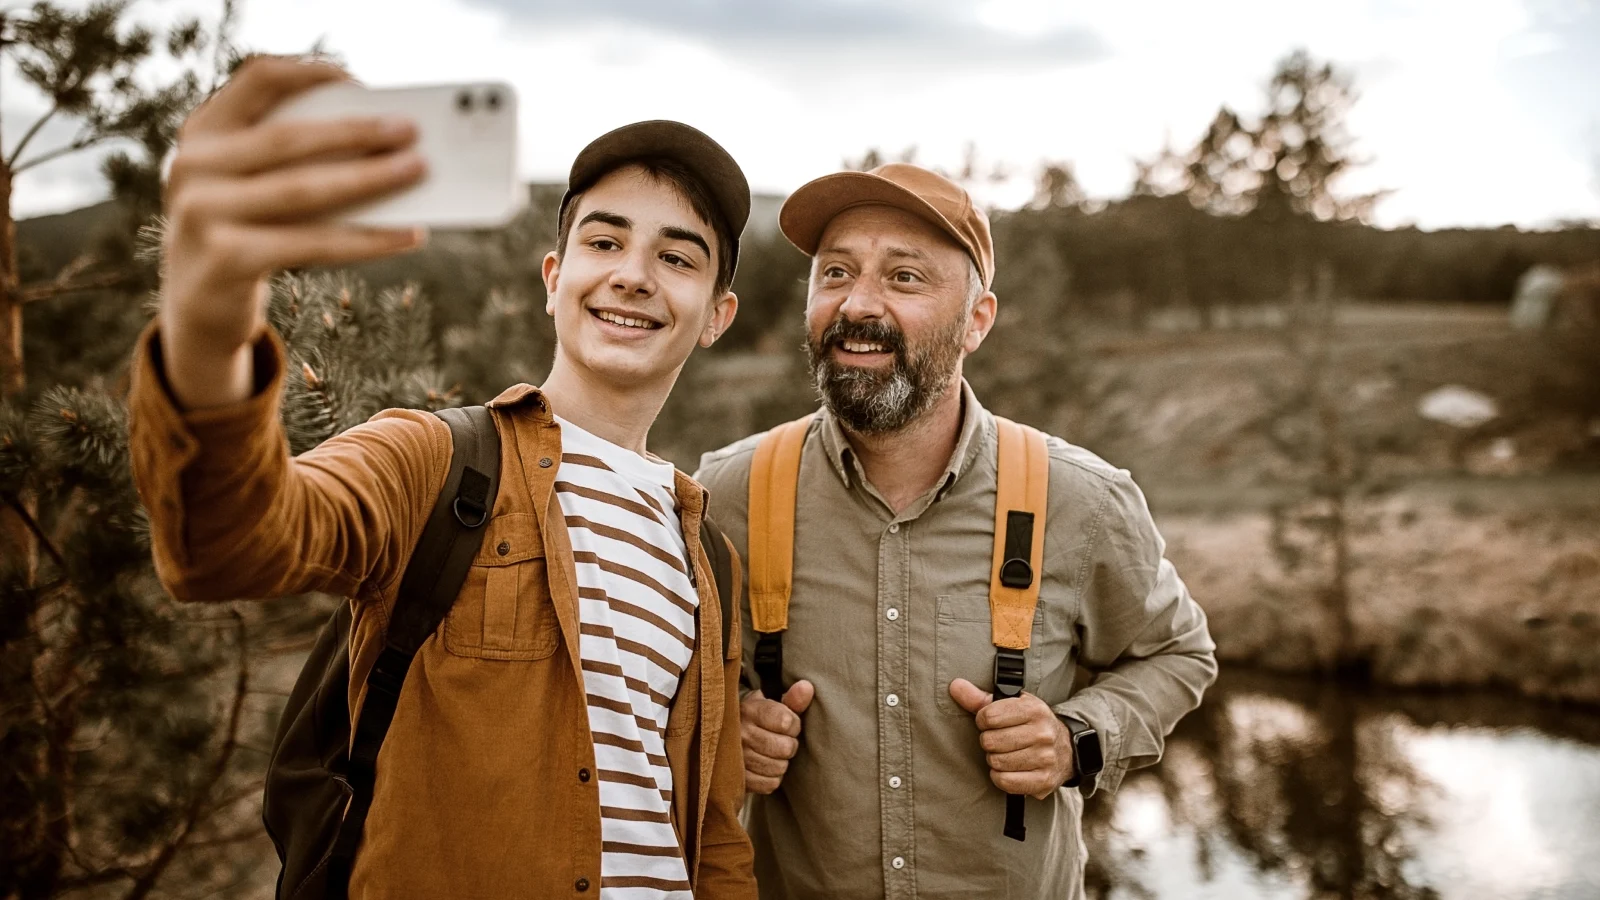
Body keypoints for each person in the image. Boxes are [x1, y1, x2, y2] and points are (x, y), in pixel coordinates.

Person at [129, 56, 756, 899]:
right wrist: (210, 316)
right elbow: (225, 544)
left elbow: (712, 842)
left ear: (717, 314)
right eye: (604, 241)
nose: (633, 274)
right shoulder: (433, 462)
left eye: (678, 258)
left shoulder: (708, 560)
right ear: (553, 277)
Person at [695, 162, 1218, 899]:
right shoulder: (725, 494)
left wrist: (1077, 739)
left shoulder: (1082, 501)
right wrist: (719, 737)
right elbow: (661, 705)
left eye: (905, 278)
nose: (859, 304)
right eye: (836, 272)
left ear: (977, 320)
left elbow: (1177, 654)